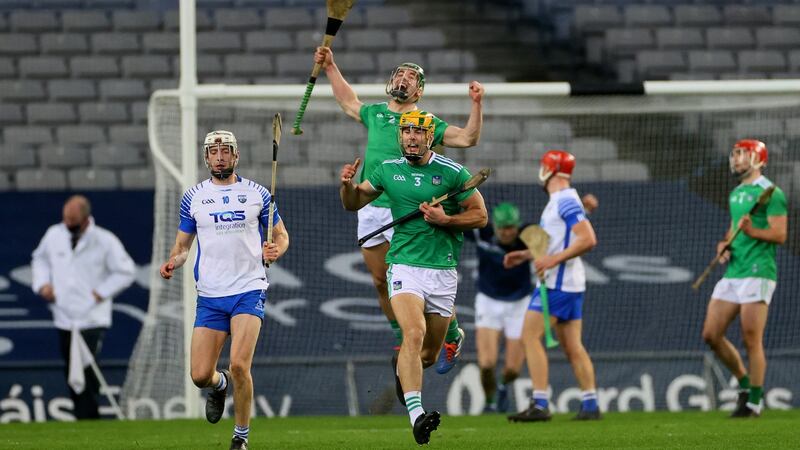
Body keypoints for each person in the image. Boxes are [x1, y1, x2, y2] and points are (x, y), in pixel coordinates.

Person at [314, 46, 484, 372]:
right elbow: (349, 101)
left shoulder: (424, 123)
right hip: (370, 202)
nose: (403, 79)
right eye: (400, 74)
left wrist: (477, 105)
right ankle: (401, 335)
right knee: (381, 281)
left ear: (419, 90)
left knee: (420, 275)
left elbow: (467, 138)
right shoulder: (376, 113)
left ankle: (450, 333)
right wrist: (331, 67)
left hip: (405, 205)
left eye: (411, 77)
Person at [340, 111, 487, 444]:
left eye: (417, 133)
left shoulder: (452, 173)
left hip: (442, 269)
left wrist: (444, 219)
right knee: (412, 332)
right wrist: (346, 185)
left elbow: (479, 216)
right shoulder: (388, 171)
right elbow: (354, 203)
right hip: (404, 265)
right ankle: (417, 416)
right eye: (405, 131)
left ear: (430, 137)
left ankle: (453, 333)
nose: (409, 137)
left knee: (428, 355)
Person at [159, 130, 289, 450]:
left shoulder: (257, 193)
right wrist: (174, 261)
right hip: (211, 296)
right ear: (206, 157)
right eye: (214, 151)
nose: (220, 156)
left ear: (236, 155)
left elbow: (281, 236)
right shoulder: (193, 197)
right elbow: (182, 246)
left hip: (248, 289)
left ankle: (240, 439)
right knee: (200, 375)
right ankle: (221, 385)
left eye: (226, 151)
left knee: (240, 364)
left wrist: (275, 250)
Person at [506, 150, 601, 422]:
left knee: (529, 336)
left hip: (557, 283)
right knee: (573, 347)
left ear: (548, 169)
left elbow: (587, 239)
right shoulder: (563, 201)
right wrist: (525, 255)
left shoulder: (564, 200)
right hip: (570, 283)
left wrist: (550, 261)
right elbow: (558, 240)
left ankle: (540, 403)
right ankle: (590, 404)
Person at [701, 139, 787, 418]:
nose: (736, 159)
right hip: (734, 272)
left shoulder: (772, 193)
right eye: (735, 154)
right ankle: (744, 383)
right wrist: (724, 245)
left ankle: (755, 402)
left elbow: (779, 235)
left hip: (758, 272)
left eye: (742, 154)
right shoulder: (737, 192)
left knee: (752, 339)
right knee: (711, 335)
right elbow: (733, 230)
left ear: (758, 159)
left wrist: (752, 233)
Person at [31, 195, 136, 419]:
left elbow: (126, 271)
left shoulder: (104, 240)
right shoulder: (54, 234)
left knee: (88, 366)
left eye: (73, 222)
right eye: (66, 220)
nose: (68, 226)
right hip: (64, 315)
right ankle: (84, 415)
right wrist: (42, 284)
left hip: (92, 316)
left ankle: (88, 414)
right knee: (71, 366)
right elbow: (39, 259)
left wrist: (101, 292)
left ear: (86, 219)